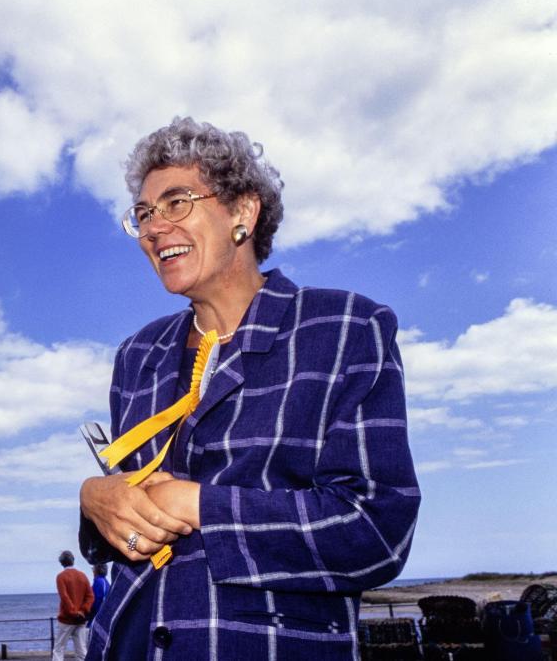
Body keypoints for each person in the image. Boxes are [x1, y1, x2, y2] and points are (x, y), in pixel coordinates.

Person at [78, 117, 420, 660]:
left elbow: (376, 530)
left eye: (176, 203)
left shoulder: (344, 327)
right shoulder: (137, 355)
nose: (153, 227)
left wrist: (198, 505)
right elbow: (134, 515)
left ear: (242, 211)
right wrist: (95, 505)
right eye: (143, 213)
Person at [53, 550, 94, 661]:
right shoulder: (82, 576)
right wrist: (83, 610)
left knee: (59, 648)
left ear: (62, 563)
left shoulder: (61, 577)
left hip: (67, 619)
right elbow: (90, 596)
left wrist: (73, 611)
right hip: (81, 619)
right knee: (81, 650)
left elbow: (64, 597)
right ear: (73, 560)